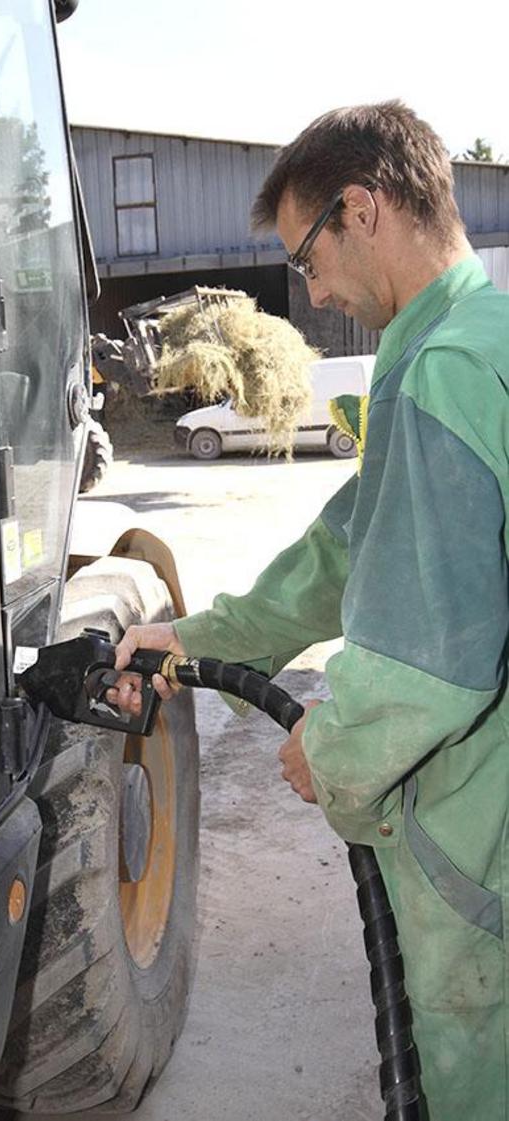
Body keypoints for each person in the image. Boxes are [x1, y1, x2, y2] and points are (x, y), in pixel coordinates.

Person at [108, 100, 509, 1121]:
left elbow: (432, 658)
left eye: (308, 253)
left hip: (483, 832)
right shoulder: (474, 338)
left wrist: (331, 745)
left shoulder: (445, 371)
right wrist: (196, 641)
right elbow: (353, 543)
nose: (310, 286)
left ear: (363, 208)